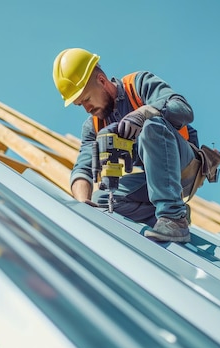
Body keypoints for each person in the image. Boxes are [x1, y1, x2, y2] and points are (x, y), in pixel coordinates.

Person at [52, 48, 201, 243]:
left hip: (184, 166)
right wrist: (82, 204)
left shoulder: (137, 84)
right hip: (153, 180)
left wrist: (145, 112)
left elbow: (184, 109)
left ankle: (174, 218)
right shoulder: (94, 125)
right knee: (102, 200)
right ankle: (165, 216)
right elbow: (83, 167)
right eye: (81, 105)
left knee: (151, 126)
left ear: (102, 81)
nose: (87, 109)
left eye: (87, 99)